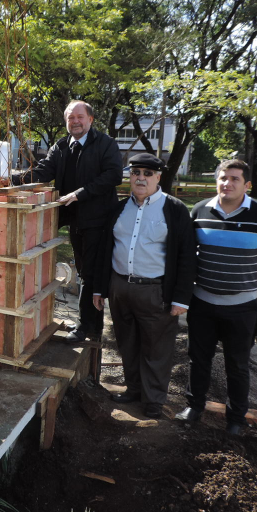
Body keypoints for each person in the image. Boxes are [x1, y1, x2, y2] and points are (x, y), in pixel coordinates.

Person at [175, 159, 257, 434]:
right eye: (223, 178)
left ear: (247, 184)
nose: (227, 183)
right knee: (198, 359)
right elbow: (187, 253)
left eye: (235, 179)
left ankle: (236, 418)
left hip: (241, 308)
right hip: (202, 303)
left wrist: (254, 283)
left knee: (237, 365)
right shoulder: (199, 211)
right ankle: (194, 406)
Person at [9, 100, 122, 343]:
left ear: (90, 119)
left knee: (91, 273)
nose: (75, 122)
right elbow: (43, 172)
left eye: (80, 117)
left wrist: (81, 193)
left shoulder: (105, 143)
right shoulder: (61, 146)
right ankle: (87, 323)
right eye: (71, 118)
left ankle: (88, 328)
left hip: (98, 220)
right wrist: (12, 179)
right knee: (82, 269)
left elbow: (113, 175)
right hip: (74, 220)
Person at [92, 153, 196, 419]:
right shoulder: (119, 209)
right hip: (120, 288)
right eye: (136, 172)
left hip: (155, 291)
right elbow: (105, 250)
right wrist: (99, 288)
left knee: (156, 348)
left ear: (158, 177)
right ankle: (134, 389)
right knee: (127, 343)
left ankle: (153, 401)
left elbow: (186, 255)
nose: (140, 178)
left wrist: (181, 298)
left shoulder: (174, 209)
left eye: (147, 174)